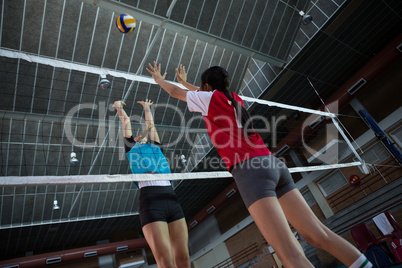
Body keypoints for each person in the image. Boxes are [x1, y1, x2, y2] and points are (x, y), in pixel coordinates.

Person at [146, 61, 372, 268]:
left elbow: (177, 93)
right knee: (319, 235)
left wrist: (158, 80)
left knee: (289, 254)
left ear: (207, 87)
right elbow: (198, 92)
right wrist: (186, 81)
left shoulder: (210, 99)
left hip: (251, 172)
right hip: (273, 164)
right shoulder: (235, 98)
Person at [113, 98, 190, 268]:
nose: (141, 136)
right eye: (137, 136)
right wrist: (118, 106)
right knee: (166, 260)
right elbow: (125, 121)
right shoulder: (132, 149)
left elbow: (151, 125)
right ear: (134, 139)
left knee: (183, 258)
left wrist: (147, 108)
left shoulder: (156, 147)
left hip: (171, 198)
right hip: (151, 201)